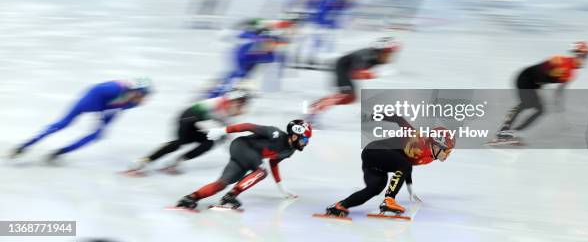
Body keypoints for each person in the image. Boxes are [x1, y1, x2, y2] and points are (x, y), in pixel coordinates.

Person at [322, 116, 454, 218]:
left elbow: (406, 168)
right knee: (404, 164)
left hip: (377, 163)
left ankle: (340, 206)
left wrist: (410, 189)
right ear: (437, 145)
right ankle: (389, 200)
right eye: (447, 151)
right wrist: (373, 116)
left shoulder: (428, 158)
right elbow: (399, 119)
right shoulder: (418, 139)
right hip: (374, 150)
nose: (448, 155)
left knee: (374, 189)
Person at [173, 119, 312, 210]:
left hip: (248, 157)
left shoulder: (289, 151)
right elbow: (248, 126)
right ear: (294, 135)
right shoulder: (275, 133)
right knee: (261, 172)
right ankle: (230, 197)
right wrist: (221, 131)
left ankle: (190, 198)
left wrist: (281, 188)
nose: (306, 143)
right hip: (242, 146)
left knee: (221, 184)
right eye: (305, 139)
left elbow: (274, 162)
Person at [10, 78, 153, 161]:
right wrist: (102, 110)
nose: (144, 99)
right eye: (144, 95)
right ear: (137, 91)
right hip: (94, 97)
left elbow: (118, 108)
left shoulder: (134, 102)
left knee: (98, 134)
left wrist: (105, 115)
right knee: (63, 124)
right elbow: (95, 91)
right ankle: (25, 145)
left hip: (110, 106)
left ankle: (60, 152)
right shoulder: (112, 88)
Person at [125, 89, 251, 175]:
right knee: (180, 143)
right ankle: (144, 161)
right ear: (233, 100)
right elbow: (196, 117)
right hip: (189, 118)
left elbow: (226, 133)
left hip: (203, 124)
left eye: (243, 104)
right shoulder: (216, 103)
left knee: (209, 144)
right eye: (241, 103)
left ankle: (177, 161)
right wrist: (215, 128)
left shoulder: (234, 111)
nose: (242, 107)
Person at [492, 41, 588, 144]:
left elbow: (559, 91)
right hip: (525, 77)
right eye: (584, 57)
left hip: (534, 84)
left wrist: (558, 104)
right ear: (577, 55)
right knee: (527, 104)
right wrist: (538, 88)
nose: (585, 60)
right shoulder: (559, 60)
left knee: (540, 110)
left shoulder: (571, 74)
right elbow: (538, 72)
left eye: (587, 57)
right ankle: (504, 131)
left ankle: (512, 132)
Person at [308, 37, 400, 116]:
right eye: (387, 54)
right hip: (342, 67)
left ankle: (316, 107)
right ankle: (314, 110)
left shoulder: (375, 56)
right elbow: (356, 74)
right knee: (346, 96)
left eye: (391, 54)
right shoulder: (365, 56)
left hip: (345, 68)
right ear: (380, 52)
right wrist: (374, 74)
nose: (389, 57)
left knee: (350, 97)